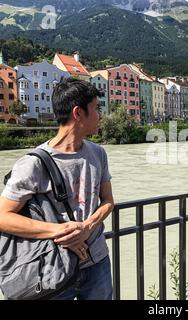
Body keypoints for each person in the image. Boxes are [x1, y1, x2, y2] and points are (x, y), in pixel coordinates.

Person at [0, 78, 114, 300]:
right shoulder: (33, 163)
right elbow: (3, 216)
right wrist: (61, 232)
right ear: (78, 113)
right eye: (96, 109)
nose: (100, 115)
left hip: (97, 263)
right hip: (52, 267)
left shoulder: (98, 153)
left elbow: (108, 201)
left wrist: (88, 227)